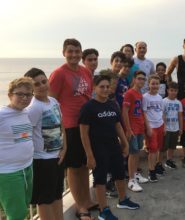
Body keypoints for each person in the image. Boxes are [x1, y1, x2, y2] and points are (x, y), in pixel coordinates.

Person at [79, 75, 140, 220]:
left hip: (114, 146)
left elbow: (117, 125)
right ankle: (103, 211)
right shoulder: (88, 107)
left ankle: (123, 200)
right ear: (94, 88)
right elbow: (83, 133)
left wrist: (124, 143)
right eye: (102, 87)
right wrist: (89, 155)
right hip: (98, 149)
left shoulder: (113, 104)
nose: (105, 89)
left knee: (119, 174)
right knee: (100, 179)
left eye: (107, 86)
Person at [48, 38, 96, 219]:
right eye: (70, 51)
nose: (74, 55)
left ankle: (87, 200)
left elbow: (88, 96)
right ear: (64, 53)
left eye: (77, 51)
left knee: (84, 165)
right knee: (74, 168)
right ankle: (80, 206)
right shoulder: (59, 74)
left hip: (85, 124)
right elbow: (51, 102)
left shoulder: (85, 72)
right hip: (69, 126)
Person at [24, 68, 66, 220]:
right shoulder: (33, 108)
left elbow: (61, 125)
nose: (42, 86)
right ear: (31, 88)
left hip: (57, 156)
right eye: (36, 84)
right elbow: (26, 135)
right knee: (44, 200)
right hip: (42, 160)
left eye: (44, 81)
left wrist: (64, 148)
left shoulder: (53, 101)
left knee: (57, 194)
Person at [0, 77, 34, 220]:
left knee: (23, 206)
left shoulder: (25, 112)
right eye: (19, 94)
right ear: (10, 95)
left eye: (28, 94)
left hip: (27, 167)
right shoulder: (2, 115)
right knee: (17, 214)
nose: (24, 98)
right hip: (8, 172)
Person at [122, 71, 149, 193]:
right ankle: (131, 180)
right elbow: (124, 112)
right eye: (139, 78)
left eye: (143, 79)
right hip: (132, 129)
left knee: (137, 152)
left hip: (140, 127)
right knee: (132, 154)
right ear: (134, 79)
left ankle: (136, 174)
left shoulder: (140, 94)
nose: (141, 81)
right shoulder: (129, 93)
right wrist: (128, 129)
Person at [143, 75, 165, 181]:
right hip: (151, 127)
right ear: (149, 84)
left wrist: (163, 125)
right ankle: (151, 171)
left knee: (158, 149)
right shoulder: (145, 97)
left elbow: (161, 112)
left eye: (157, 83)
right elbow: (144, 113)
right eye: (153, 83)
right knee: (152, 150)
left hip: (160, 125)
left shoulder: (160, 97)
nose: (155, 86)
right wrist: (147, 128)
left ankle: (156, 166)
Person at [161, 82, 183, 169]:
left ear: (177, 91)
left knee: (172, 146)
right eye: (171, 90)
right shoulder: (163, 101)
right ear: (168, 91)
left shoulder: (178, 103)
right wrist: (164, 127)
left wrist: (181, 128)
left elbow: (180, 116)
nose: (173, 92)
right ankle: (159, 163)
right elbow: (162, 115)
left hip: (175, 128)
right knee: (163, 147)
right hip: (166, 128)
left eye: (175, 91)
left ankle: (169, 160)